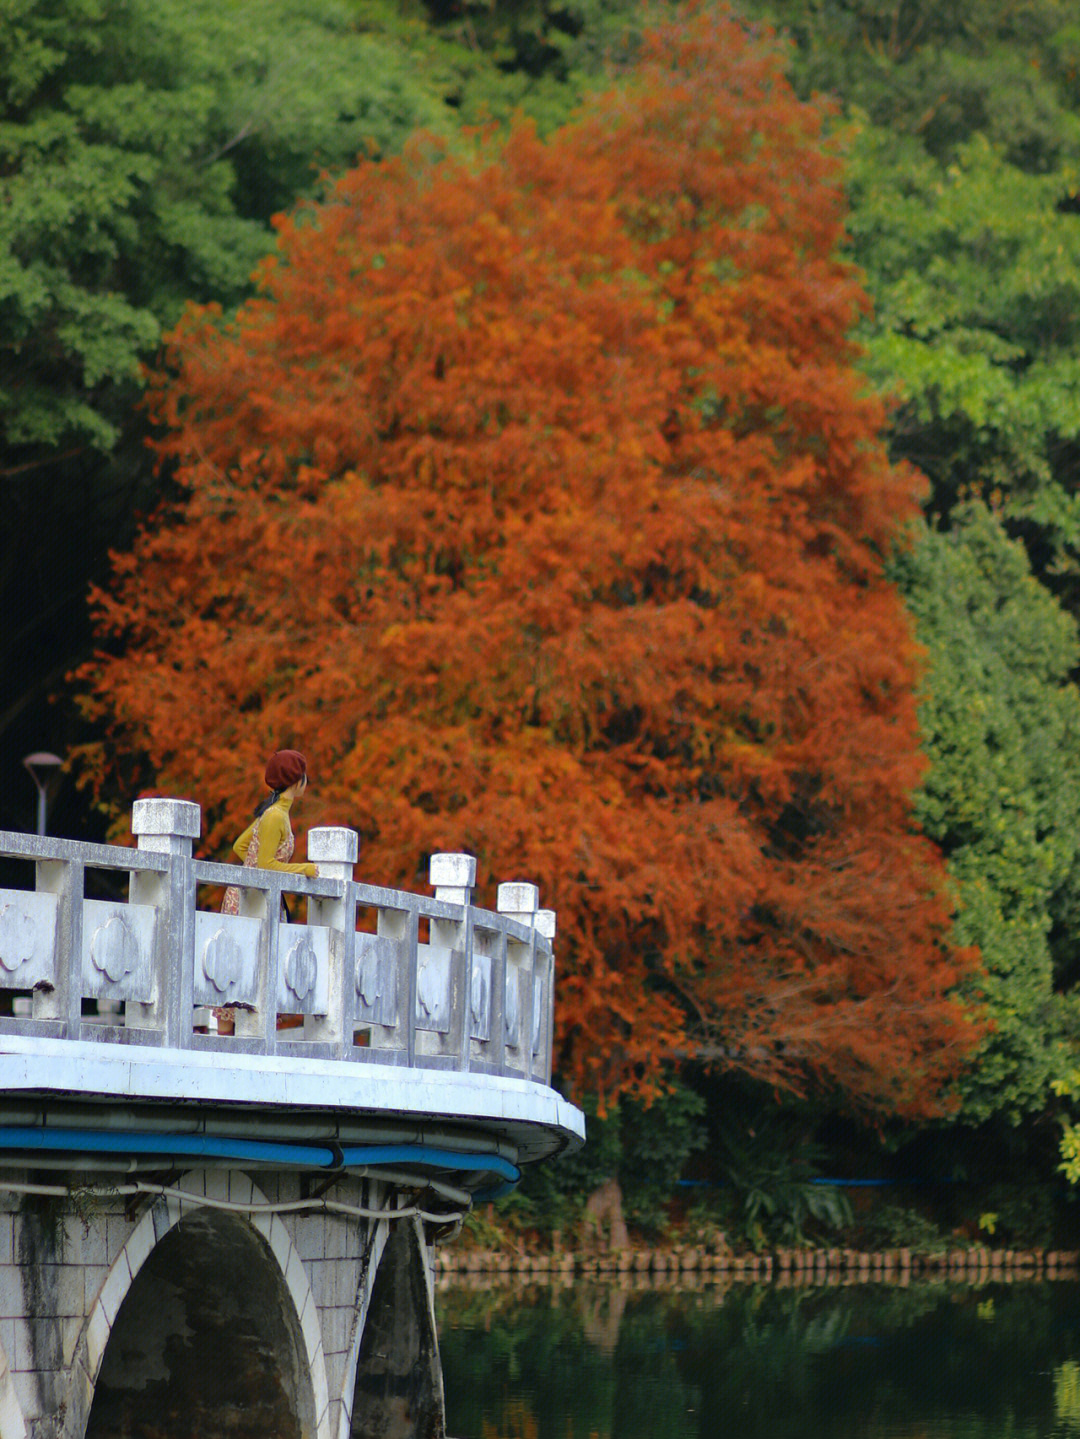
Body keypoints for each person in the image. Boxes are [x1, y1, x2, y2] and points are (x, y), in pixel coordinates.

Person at [216, 749, 318, 1034]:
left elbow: (240, 846)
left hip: (246, 897)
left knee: (239, 974)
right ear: (298, 781)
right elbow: (266, 865)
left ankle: (228, 1048)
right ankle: (234, 1050)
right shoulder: (275, 816)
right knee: (245, 975)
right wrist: (304, 869)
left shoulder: (272, 813)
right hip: (252, 901)